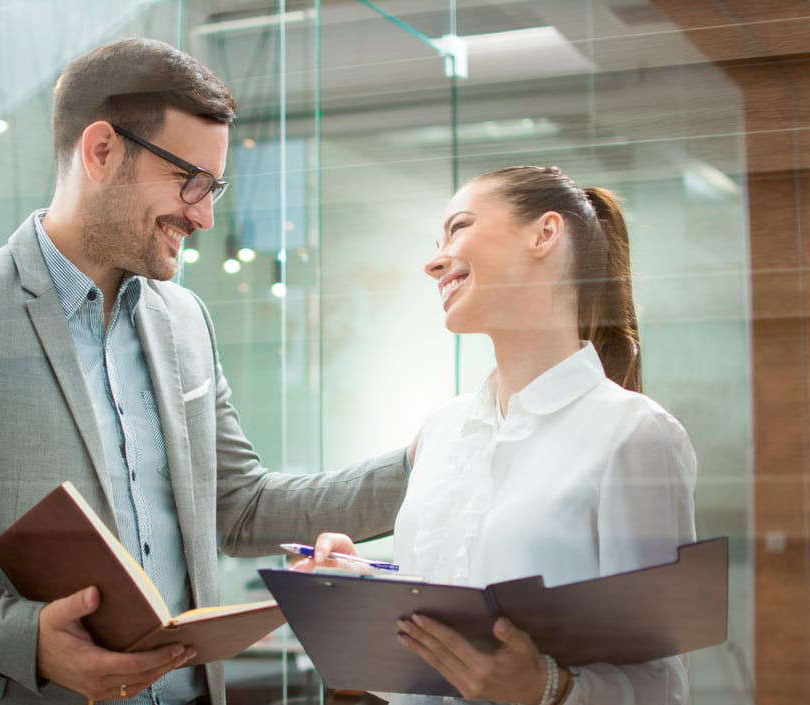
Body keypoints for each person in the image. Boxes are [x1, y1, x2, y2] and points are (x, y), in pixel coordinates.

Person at [0, 38, 409, 705]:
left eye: (213, 189)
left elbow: (240, 506)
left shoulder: (186, 321)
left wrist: (428, 463)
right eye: (190, 181)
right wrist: (25, 635)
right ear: (101, 151)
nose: (203, 214)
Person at [298, 166, 697, 705]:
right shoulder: (441, 433)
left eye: (458, 228)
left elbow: (664, 688)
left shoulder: (635, 435)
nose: (434, 260)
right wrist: (356, 598)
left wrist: (548, 690)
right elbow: (421, 673)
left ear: (544, 234)